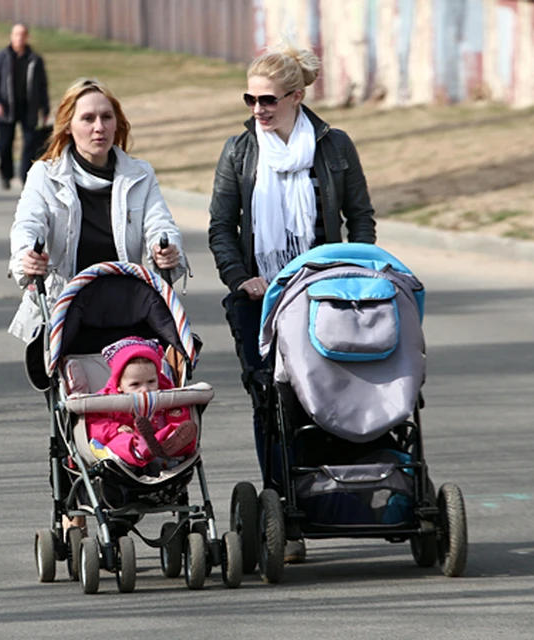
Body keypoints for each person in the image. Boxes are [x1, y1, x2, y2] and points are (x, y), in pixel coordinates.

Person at [207, 42, 377, 564]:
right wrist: (242, 280)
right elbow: (221, 229)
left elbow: (360, 217)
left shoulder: (334, 146)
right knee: (271, 404)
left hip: (323, 294)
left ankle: (340, 496)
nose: (257, 110)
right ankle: (285, 512)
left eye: (267, 100)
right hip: (261, 300)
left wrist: (354, 270)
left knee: (324, 395)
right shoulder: (239, 151)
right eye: (251, 99)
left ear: (296, 96)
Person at [7, 77, 188, 343]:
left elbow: (160, 224)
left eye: (106, 117)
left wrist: (167, 248)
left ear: (118, 123)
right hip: (65, 311)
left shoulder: (140, 175)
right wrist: (28, 255)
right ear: (68, 126)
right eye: (88, 119)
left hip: (127, 310)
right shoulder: (44, 175)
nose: (99, 128)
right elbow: (27, 224)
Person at [86, 336, 197, 469]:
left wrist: (177, 415)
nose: (144, 389)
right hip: (126, 441)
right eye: (135, 384)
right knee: (119, 443)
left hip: (159, 443)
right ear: (119, 384)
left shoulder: (165, 394)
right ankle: (139, 449)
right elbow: (93, 424)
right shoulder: (106, 401)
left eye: (151, 382)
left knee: (175, 429)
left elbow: (180, 411)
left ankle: (173, 442)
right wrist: (115, 429)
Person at [0, 23, 49, 190]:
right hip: (6, 108)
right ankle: (6, 175)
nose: (19, 38)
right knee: (4, 144)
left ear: (27, 37)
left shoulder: (35, 59)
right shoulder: (2, 57)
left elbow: (42, 86)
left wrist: (45, 109)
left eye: (22, 35)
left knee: (30, 144)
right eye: (16, 34)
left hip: (29, 108)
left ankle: (26, 179)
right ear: (11, 36)